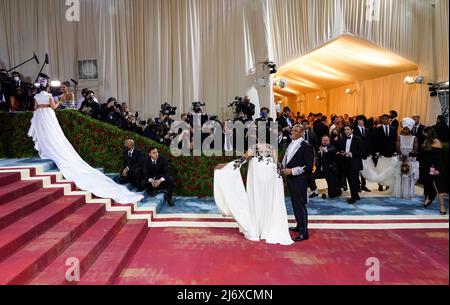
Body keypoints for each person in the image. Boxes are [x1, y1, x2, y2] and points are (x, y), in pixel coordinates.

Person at [27, 80, 143, 204]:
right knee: (53, 134)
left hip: (39, 115)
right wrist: (59, 101)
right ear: (48, 87)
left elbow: (35, 108)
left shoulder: (36, 96)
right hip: (48, 114)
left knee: (45, 134)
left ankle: (46, 150)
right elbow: (54, 107)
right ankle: (52, 149)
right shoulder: (49, 96)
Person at [214, 143, 293, 245]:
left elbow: (276, 166)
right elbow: (242, 160)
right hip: (259, 184)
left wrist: (279, 180)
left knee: (266, 204)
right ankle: (261, 230)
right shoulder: (256, 148)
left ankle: (263, 230)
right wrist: (226, 166)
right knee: (260, 204)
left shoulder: (270, 148)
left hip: (269, 184)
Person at [282, 125, 314, 242]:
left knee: (300, 204)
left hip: (300, 179)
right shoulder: (291, 143)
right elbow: (287, 158)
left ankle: (303, 232)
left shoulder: (306, 146)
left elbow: (309, 166)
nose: (293, 132)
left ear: (302, 133)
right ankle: (299, 225)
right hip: (291, 178)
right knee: (295, 203)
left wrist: (292, 171)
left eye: (296, 131)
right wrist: (283, 167)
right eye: (292, 130)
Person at [421, 127, 447, 215]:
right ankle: (428, 198)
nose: (423, 134)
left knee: (439, 186)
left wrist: (434, 169)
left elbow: (438, 158)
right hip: (427, 167)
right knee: (428, 184)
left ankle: (442, 206)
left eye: (424, 133)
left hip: (435, 167)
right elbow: (424, 155)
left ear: (427, 133)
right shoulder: (426, 142)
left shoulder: (436, 142)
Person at [392, 118, 420, 199]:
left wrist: (409, 155)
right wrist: (400, 155)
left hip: (410, 159)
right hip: (401, 158)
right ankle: (399, 192)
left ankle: (408, 193)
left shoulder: (414, 138)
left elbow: (415, 148)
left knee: (409, 175)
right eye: (404, 128)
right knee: (399, 175)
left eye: (407, 129)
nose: (405, 130)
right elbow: (397, 146)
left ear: (410, 129)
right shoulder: (399, 137)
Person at [338, 125, 363, 204]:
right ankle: (356, 196)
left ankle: (353, 197)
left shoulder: (357, 139)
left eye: (348, 129)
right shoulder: (342, 139)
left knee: (354, 180)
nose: (346, 131)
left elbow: (362, 151)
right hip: (346, 162)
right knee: (351, 180)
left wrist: (352, 153)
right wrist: (342, 153)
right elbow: (341, 149)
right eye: (345, 129)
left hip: (355, 162)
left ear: (352, 130)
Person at [375, 114, 397, 191]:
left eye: (386, 119)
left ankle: (388, 184)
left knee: (389, 169)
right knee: (381, 169)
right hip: (381, 153)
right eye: (383, 119)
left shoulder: (393, 129)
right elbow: (375, 141)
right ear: (381, 120)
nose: (384, 120)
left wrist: (395, 151)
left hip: (391, 152)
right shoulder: (378, 129)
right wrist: (377, 151)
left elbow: (395, 141)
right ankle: (380, 184)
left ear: (388, 120)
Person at [353, 115, 371, 192]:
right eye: (358, 120)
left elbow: (369, 141)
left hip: (365, 153)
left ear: (364, 121)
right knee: (357, 170)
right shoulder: (355, 129)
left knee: (364, 169)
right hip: (357, 153)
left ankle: (363, 185)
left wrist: (369, 152)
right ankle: (357, 186)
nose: (359, 121)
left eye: (361, 120)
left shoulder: (367, 130)